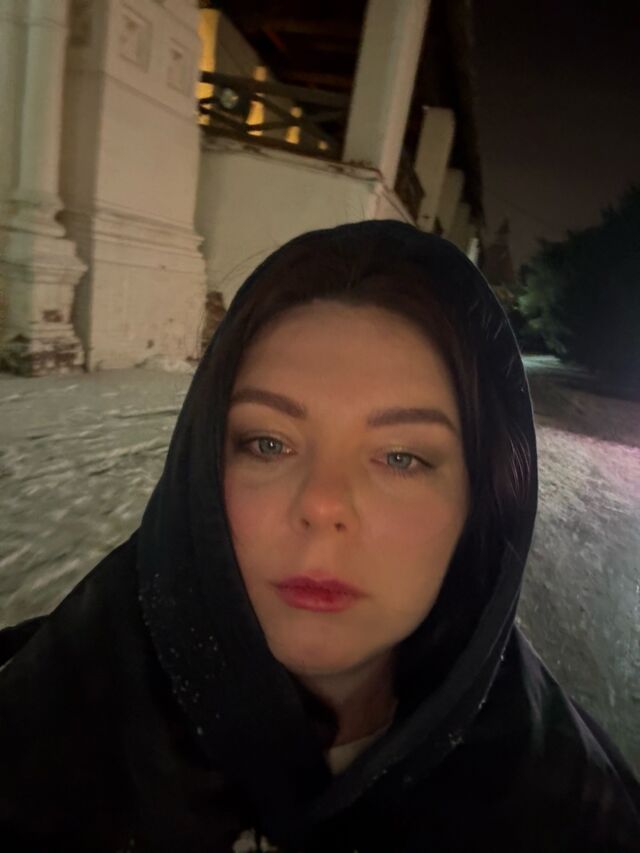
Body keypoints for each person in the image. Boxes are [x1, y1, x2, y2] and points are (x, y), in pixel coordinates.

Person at [0, 221, 638, 853]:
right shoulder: (40, 733)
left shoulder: (569, 807)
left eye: (401, 458)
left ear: (483, 501)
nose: (322, 504)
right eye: (268, 443)